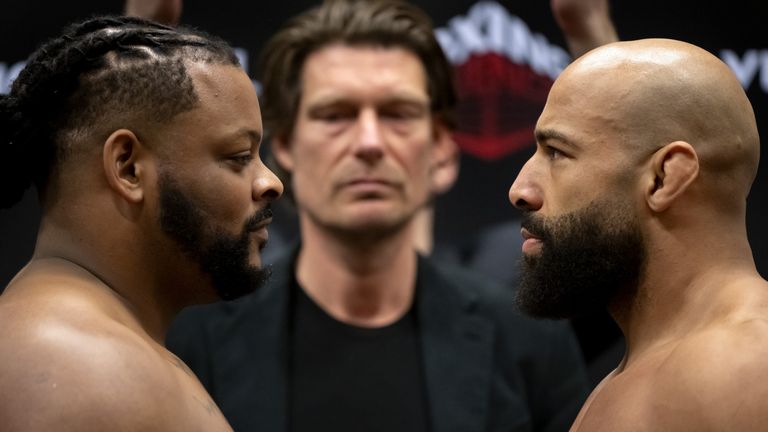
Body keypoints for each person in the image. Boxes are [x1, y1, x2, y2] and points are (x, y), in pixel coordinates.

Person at [167, 1, 592, 431]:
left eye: (397, 114)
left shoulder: (531, 344)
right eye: (335, 115)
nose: (369, 143)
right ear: (287, 149)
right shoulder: (192, 343)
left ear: (442, 150)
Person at [0, 15, 282, 431]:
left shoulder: (79, 345)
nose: (270, 182)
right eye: (239, 156)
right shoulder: (85, 365)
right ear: (128, 168)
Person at [508, 38, 767, 431]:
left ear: (664, 178)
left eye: (557, 152)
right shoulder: (623, 381)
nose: (520, 190)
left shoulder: (747, 362)